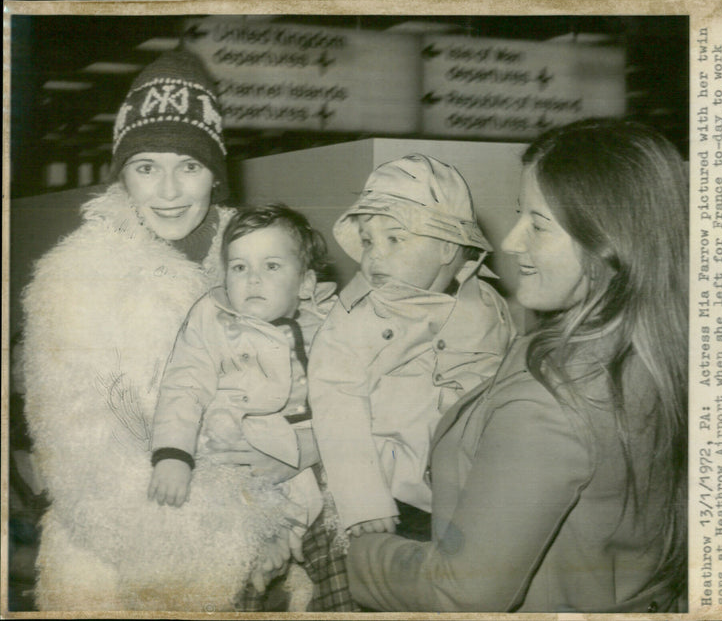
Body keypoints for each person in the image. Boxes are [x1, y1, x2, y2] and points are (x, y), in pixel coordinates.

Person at [345, 119, 689, 613]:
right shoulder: (655, 353)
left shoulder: (551, 401)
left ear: (609, 240)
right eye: (517, 214)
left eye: (538, 223)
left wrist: (352, 552)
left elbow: (458, 592)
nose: (509, 241)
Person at [20, 50, 298, 611]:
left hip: (276, 554)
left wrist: (290, 520)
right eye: (147, 166)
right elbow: (85, 465)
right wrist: (243, 539)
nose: (169, 191)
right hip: (128, 571)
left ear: (215, 174)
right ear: (122, 175)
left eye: (189, 166)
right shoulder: (75, 279)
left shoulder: (261, 260)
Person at [305, 154, 514, 606]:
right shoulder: (355, 318)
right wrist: (363, 502)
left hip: (466, 497)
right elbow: (335, 399)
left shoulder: (488, 307)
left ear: (445, 247)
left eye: (394, 238)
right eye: (366, 240)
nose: (374, 253)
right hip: (388, 500)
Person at [147, 204, 337, 581]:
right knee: (229, 483)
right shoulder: (211, 318)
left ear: (305, 283)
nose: (252, 279)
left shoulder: (331, 323)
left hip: (307, 441)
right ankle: (264, 536)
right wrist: (172, 453)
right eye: (239, 267)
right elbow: (183, 384)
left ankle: (286, 536)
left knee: (326, 496)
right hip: (237, 437)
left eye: (271, 266)